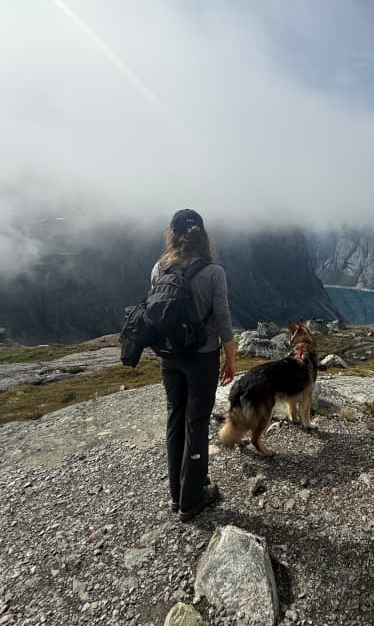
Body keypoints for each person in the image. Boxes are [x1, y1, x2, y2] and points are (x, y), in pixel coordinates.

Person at [152, 208, 236, 522]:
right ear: (203, 236)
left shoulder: (159, 269)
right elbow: (223, 319)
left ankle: (177, 496)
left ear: (171, 235)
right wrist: (230, 356)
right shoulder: (214, 273)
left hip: (169, 356)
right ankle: (192, 499)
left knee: (175, 419)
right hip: (201, 357)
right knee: (196, 424)